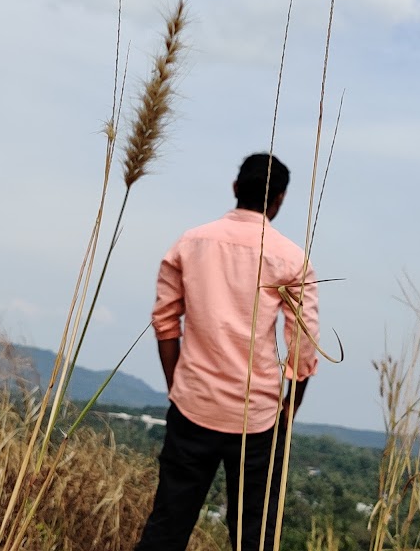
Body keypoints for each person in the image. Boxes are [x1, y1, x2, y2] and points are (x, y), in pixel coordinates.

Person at [132, 153, 321, 551]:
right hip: (259, 416)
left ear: (235, 188)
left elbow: (165, 323)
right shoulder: (290, 258)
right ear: (280, 200)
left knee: (167, 526)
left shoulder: (191, 242)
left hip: (192, 406)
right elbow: (303, 345)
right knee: (251, 538)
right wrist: (289, 409)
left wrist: (178, 386)